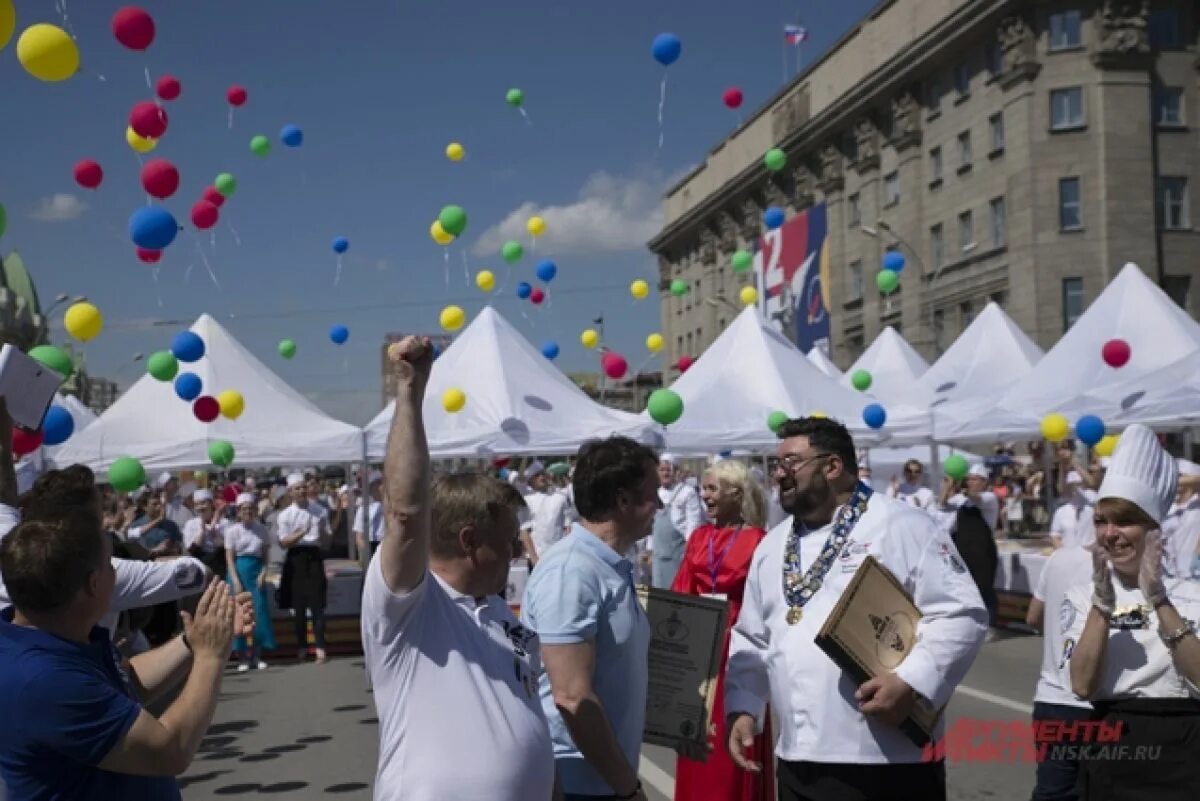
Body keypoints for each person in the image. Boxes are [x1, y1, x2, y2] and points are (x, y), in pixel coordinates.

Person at [725, 417, 987, 801]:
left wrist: (910, 682)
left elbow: (962, 613)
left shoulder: (903, 524)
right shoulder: (773, 545)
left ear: (832, 467)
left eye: (791, 463)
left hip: (886, 757)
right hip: (798, 757)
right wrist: (744, 705)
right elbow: (751, 635)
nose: (779, 474)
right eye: (776, 465)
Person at [362, 336, 555, 801]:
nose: (516, 549)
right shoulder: (411, 606)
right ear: (470, 541)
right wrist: (410, 392)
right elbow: (407, 514)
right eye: (507, 539)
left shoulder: (501, 615)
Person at [0, 511, 251, 799]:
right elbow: (169, 751)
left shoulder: (42, 641)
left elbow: (123, 682)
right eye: (111, 566)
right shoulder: (44, 679)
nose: (117, 573)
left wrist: (193, 642)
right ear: (94, 583)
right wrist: (211, 657)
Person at [522, 436, 660, 801]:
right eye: (653, 493)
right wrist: (627, 788)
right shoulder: (573, 572)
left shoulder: (606, 565)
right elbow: (570, 696)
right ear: (623, 499)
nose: (660, 504)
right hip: (577, 782)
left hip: (600, 778)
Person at [1066, 424, 1200, 799]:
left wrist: (1158, 598)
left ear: (1153, 528)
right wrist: (1102, 608)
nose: (1110, 533)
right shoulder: (1083, 597)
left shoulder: (1192, 595)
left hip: (1185, 753)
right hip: (1113, 750)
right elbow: (1081, 685)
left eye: (1123, 520)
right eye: (1101, 521)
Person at [670, 460, 774, 801]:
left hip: (740, 648)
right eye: (703, 488)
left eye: (712, 488)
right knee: (699, 739)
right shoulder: (699, 537)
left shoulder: (759, 539)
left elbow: (767, 601)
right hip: (701, 648)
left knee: (734, 731)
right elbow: (681, 591)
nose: (705, 495)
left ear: (735, 493)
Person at [1025, 515, 1095, 801]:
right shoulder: (1128, 565)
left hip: (1052, 699)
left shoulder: (1058, 559)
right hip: (1096, 702)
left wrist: (1059, 639)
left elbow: (1033, 617)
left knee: (1052, 791)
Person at [936, 463, 1000, 629]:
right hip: (963, 550)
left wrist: (963, 489)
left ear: (984, 482)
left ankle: (990, 625)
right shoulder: (960, 500)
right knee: (965, 589)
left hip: (983, 552)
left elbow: (976, 498)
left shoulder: (989, 498)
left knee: (984, 589)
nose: (971, 483)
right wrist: (949, 485)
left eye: (975, 480)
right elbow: (942, 505)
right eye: (969, 479)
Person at [275, 473, 328, 664]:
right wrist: (302, 532)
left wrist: (322, 530)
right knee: (298, 608)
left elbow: (326, 542)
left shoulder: (319, 511)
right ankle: (302, 646)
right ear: (290, 492)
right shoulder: (285, 515)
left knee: (317, 606)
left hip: (314, 557)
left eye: (303, 487)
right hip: (296, 558)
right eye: (297, 488)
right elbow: (283, 542)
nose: (302, 491)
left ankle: (320, 647)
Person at [225, 493, 275, 671]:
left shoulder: (261, 529)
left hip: (255, 571)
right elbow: (229, 558)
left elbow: (266, 554)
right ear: (238, 511)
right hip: (238, 570)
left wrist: (263, 573)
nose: (248, 512)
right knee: (239, 614)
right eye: (244, 509)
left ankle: (257, 654)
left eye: (251, 509)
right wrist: (235, 580)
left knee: (258, 613)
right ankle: (242, 657)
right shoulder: (232, 531)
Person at [650, 454, 703, 589]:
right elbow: (652, 523)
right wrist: (649, 549)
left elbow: (694, 522)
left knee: (678, 591)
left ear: (675, 471)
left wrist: (690, 547)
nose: (665, 473)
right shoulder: (655, 492)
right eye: (662, 470)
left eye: (668, 470)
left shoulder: (687, 492)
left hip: (679, 551)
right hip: (659, 554)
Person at [523, 462, 571, 567]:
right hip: (537, 558)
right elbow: (524, 532)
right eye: (537, 475)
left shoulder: (560, 496)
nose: (542, 477)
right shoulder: (526, 500)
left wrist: (567, 552)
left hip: (559, 556)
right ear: (530, 480)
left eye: (542, 474)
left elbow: (567, 527)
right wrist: (534, 558)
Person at [1161, 458, 1200, 578]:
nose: (1178, 481)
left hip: (1194, 578)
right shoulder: (1165, 506)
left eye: (1180, 476)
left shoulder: (1197, 505)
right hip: (1169, 578)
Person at [182, 490, 228, 576]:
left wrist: (213, 530)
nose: (200, 507)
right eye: (197, 505)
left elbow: (226, 547)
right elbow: (192, 550)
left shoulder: (224, 523)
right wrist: (202, 532)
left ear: (211, 504)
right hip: (199, 566)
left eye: (203, 503)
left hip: (220, 566)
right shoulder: (190, 524)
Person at [1050, 472, 1094, 550]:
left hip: (1089, 556)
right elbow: (1055, 535)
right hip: (1067, 557)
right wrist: (1063, 553)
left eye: (1079, 485)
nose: (1077, 489)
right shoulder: (1061, 512)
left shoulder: (1092, 512)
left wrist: (1088, 550)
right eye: (1073, 486)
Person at [352, 472, 385, 560]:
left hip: (388, 544)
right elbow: (359, 537)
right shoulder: (363, 509)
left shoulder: (393, 507)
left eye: (381, 483)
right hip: (370, 545)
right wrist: (368, 553)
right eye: (377, 483)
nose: (381, 487)